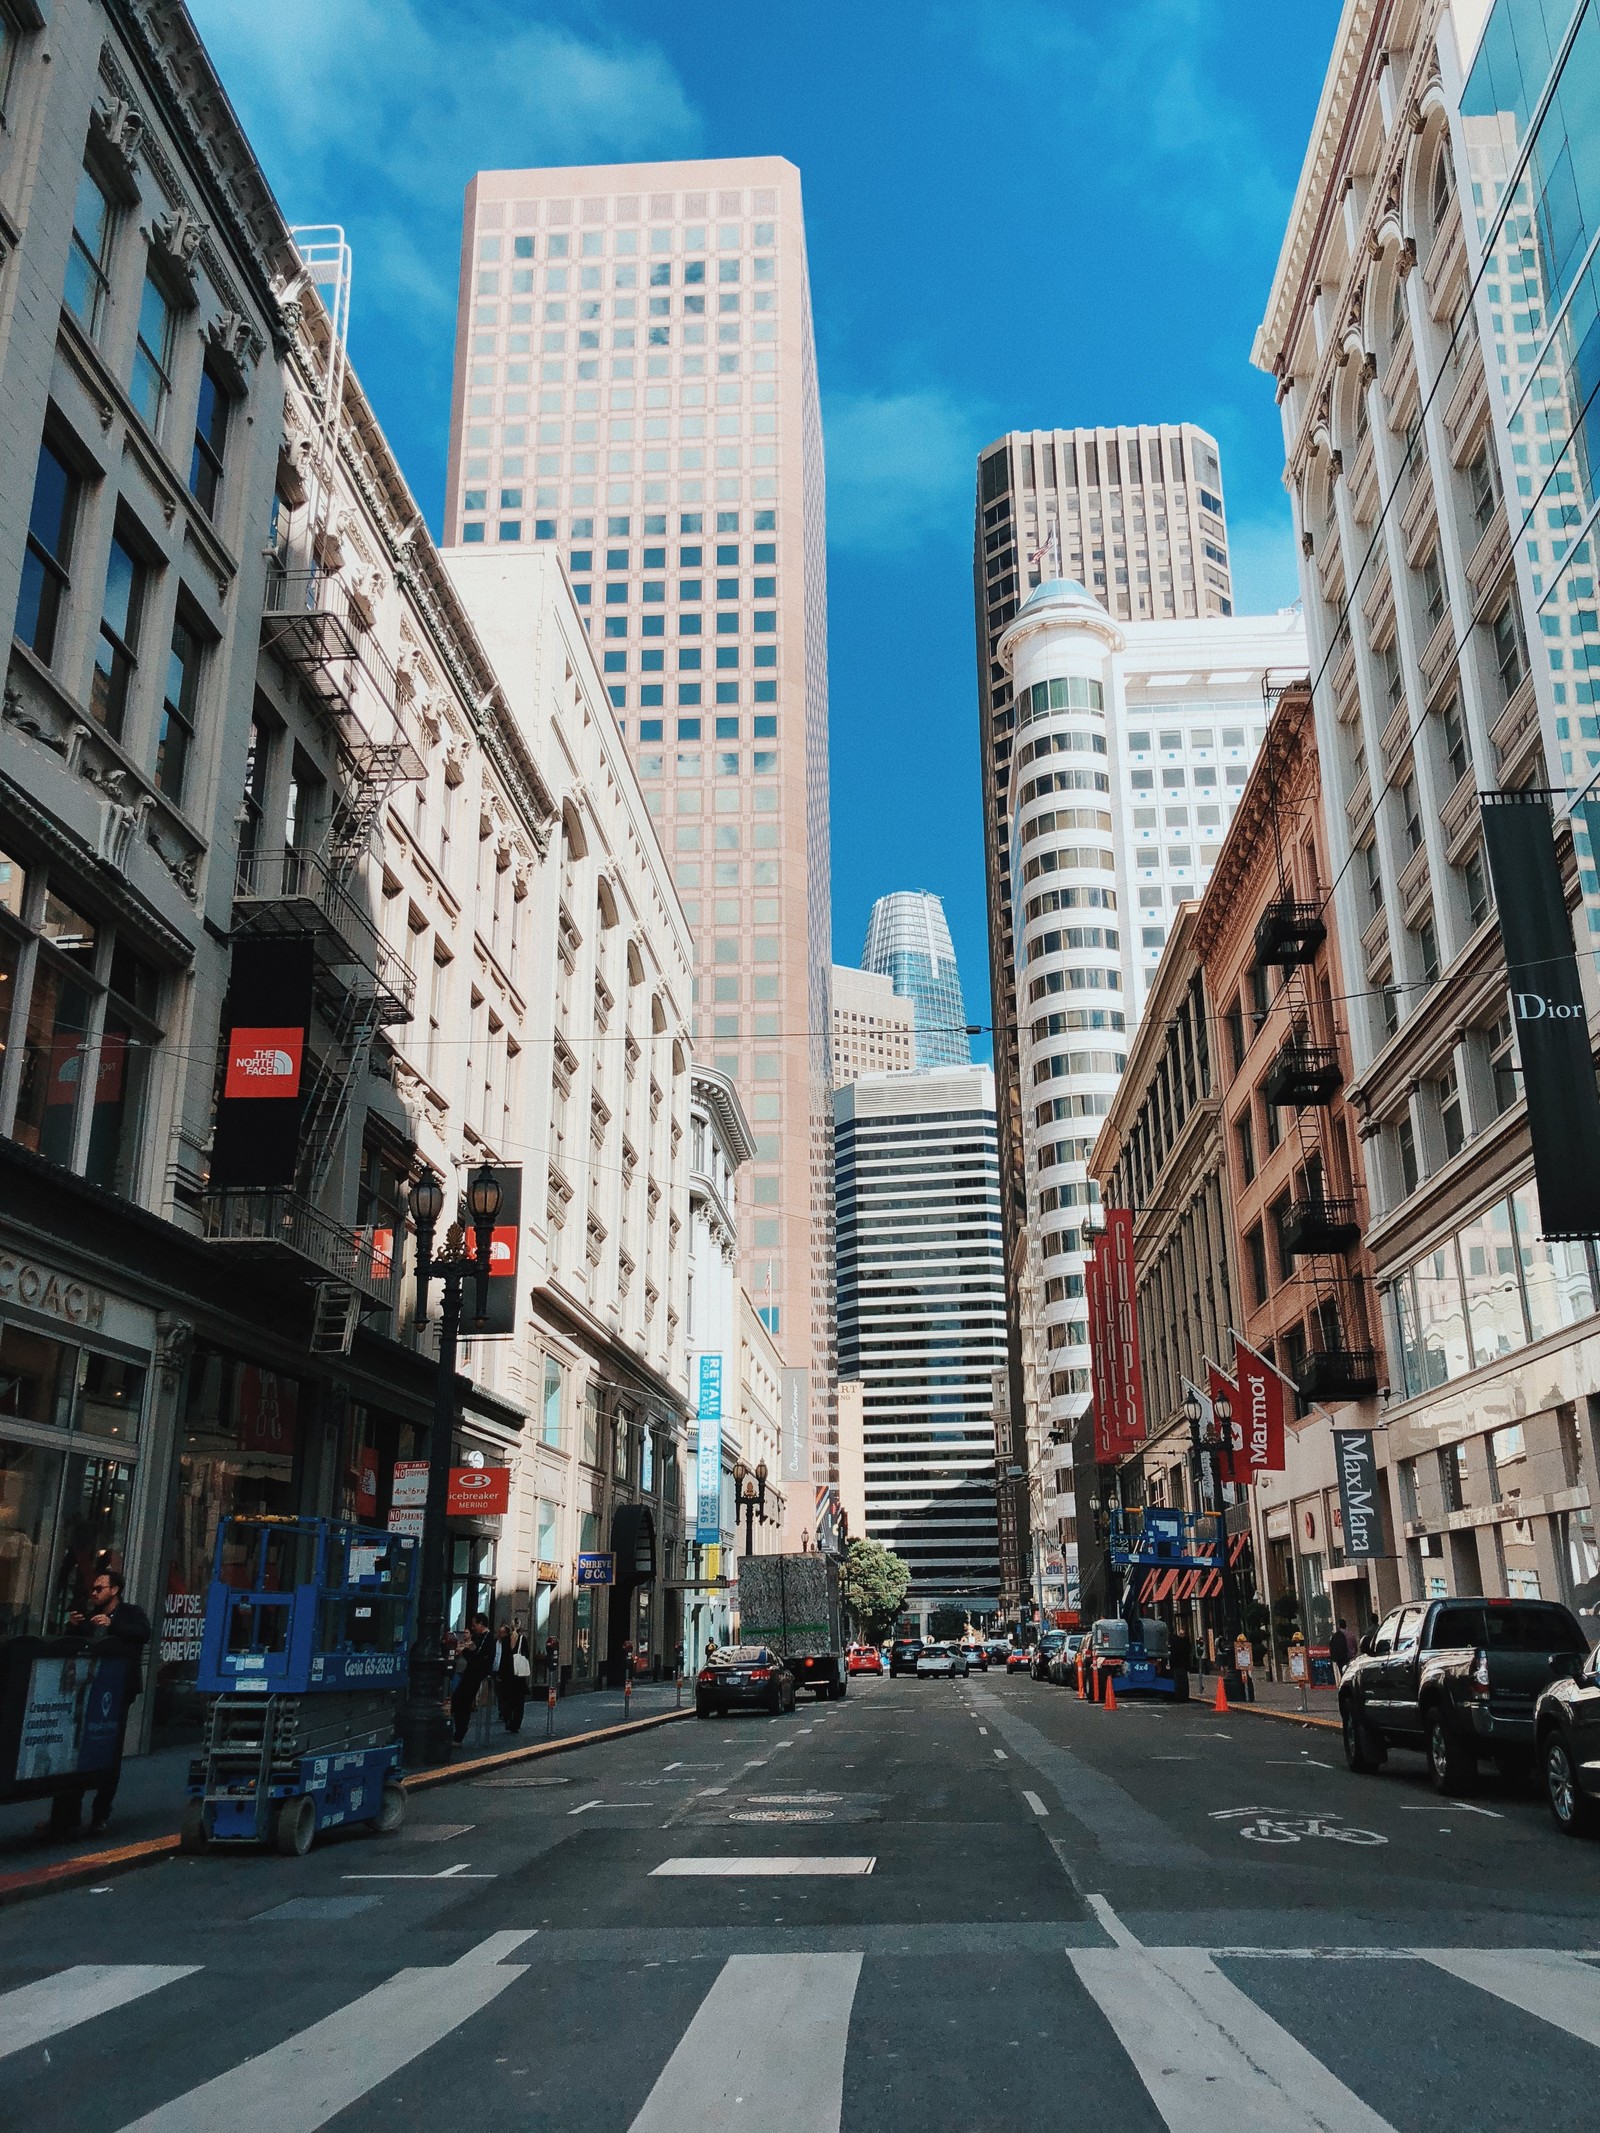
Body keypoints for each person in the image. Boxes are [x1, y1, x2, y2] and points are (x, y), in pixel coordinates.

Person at [40, 1567, 151, 1840]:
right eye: (93, 1589)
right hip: (88, 1689)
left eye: (99, 1588)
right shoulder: (90, 1616)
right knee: (77, 1748)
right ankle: (69, 1815)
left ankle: (101, 1813)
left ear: (114, 1590)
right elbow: (77, 1646)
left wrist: (112, 1625)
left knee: (109, 1750)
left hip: (116, 1690)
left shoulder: (129, 1612)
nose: (94, 1594)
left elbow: (142, 1634)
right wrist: (74, 1625)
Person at [450, 1613, 495, 1744]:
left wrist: (464, 1651)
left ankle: (459, 1735)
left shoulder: (487, 1639)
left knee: (461, 1701)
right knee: (459, 1701)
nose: (473, 1627)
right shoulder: (481, 1637)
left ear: (481, 1624)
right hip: (472, 1673)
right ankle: (458, 1733)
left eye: (475, 1625)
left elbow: (478, 1657)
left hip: (475, 1674)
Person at [496, 1616, 530, 1734]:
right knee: (518, 1702)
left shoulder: (505, 1640)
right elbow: (526, 1655)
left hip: (507, 1674)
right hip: (518, 1675)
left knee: (507, 1699)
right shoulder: (522, 1639)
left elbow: (503, 1657)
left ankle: (508, 1720)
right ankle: (516, 1723)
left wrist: (500, 1673)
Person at [1329, 1618, 1354, 1685]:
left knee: (1342, 1672)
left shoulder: (1336, 1635)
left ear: (1339, 1626)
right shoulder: (1350, 1634)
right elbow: (1355, 1645)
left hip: (1341, 1658)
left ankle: (1345, 1686)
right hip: (1350, 1657)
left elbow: (1332, 1646)